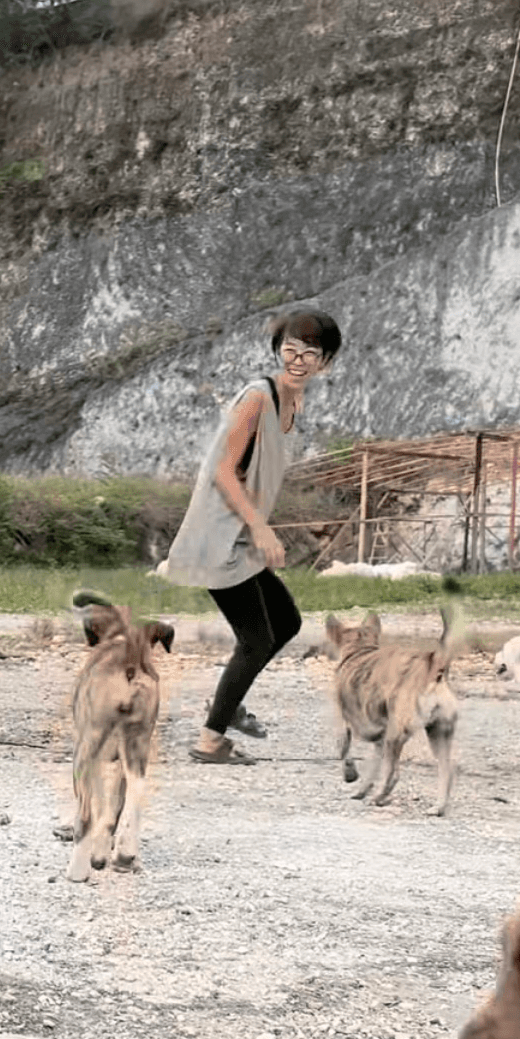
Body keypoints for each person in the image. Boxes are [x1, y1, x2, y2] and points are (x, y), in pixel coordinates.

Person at [162, 307, 343, 763]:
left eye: (310, 352)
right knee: (257, 638)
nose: (297, 359)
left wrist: (259, 527)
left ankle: (227, 704)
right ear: (277, 350)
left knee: (286, 623)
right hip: (219, 537)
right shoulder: (257, 398)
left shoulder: (291, 402)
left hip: (238, 535)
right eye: (289, 349)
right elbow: (224, 470)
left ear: (326, 361)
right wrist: (261, 528)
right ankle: (210, 739)